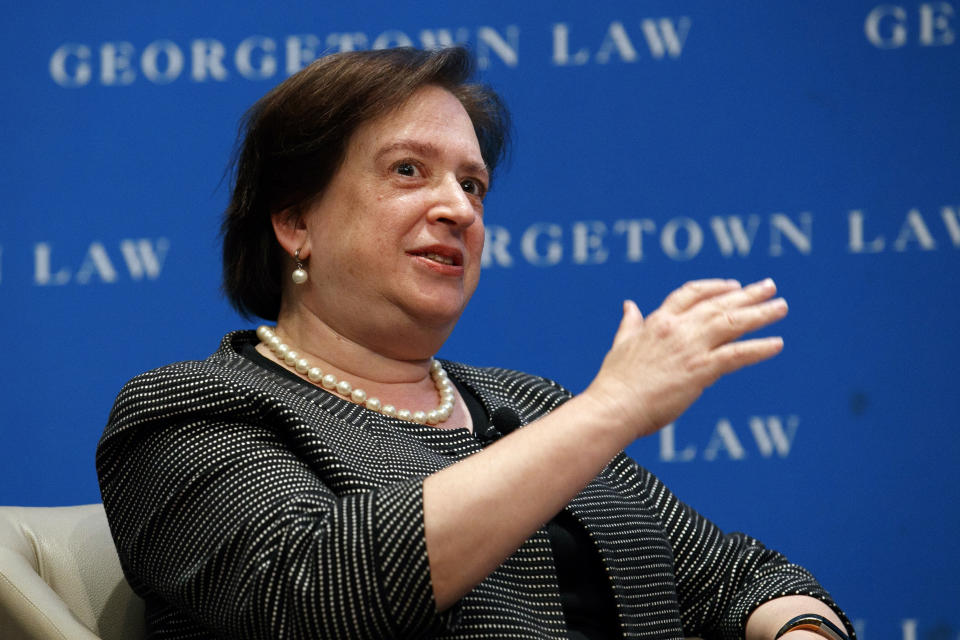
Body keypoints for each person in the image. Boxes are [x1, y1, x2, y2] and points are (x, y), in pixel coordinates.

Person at [97, 46, 855, 640]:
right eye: (408, 171)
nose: (457, 208)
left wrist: (802, 628)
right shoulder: (192, 410)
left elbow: (738, 578)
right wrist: (612, 408)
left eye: (473, 185)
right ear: (297, 222)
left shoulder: (524, 406)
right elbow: (309, 591)